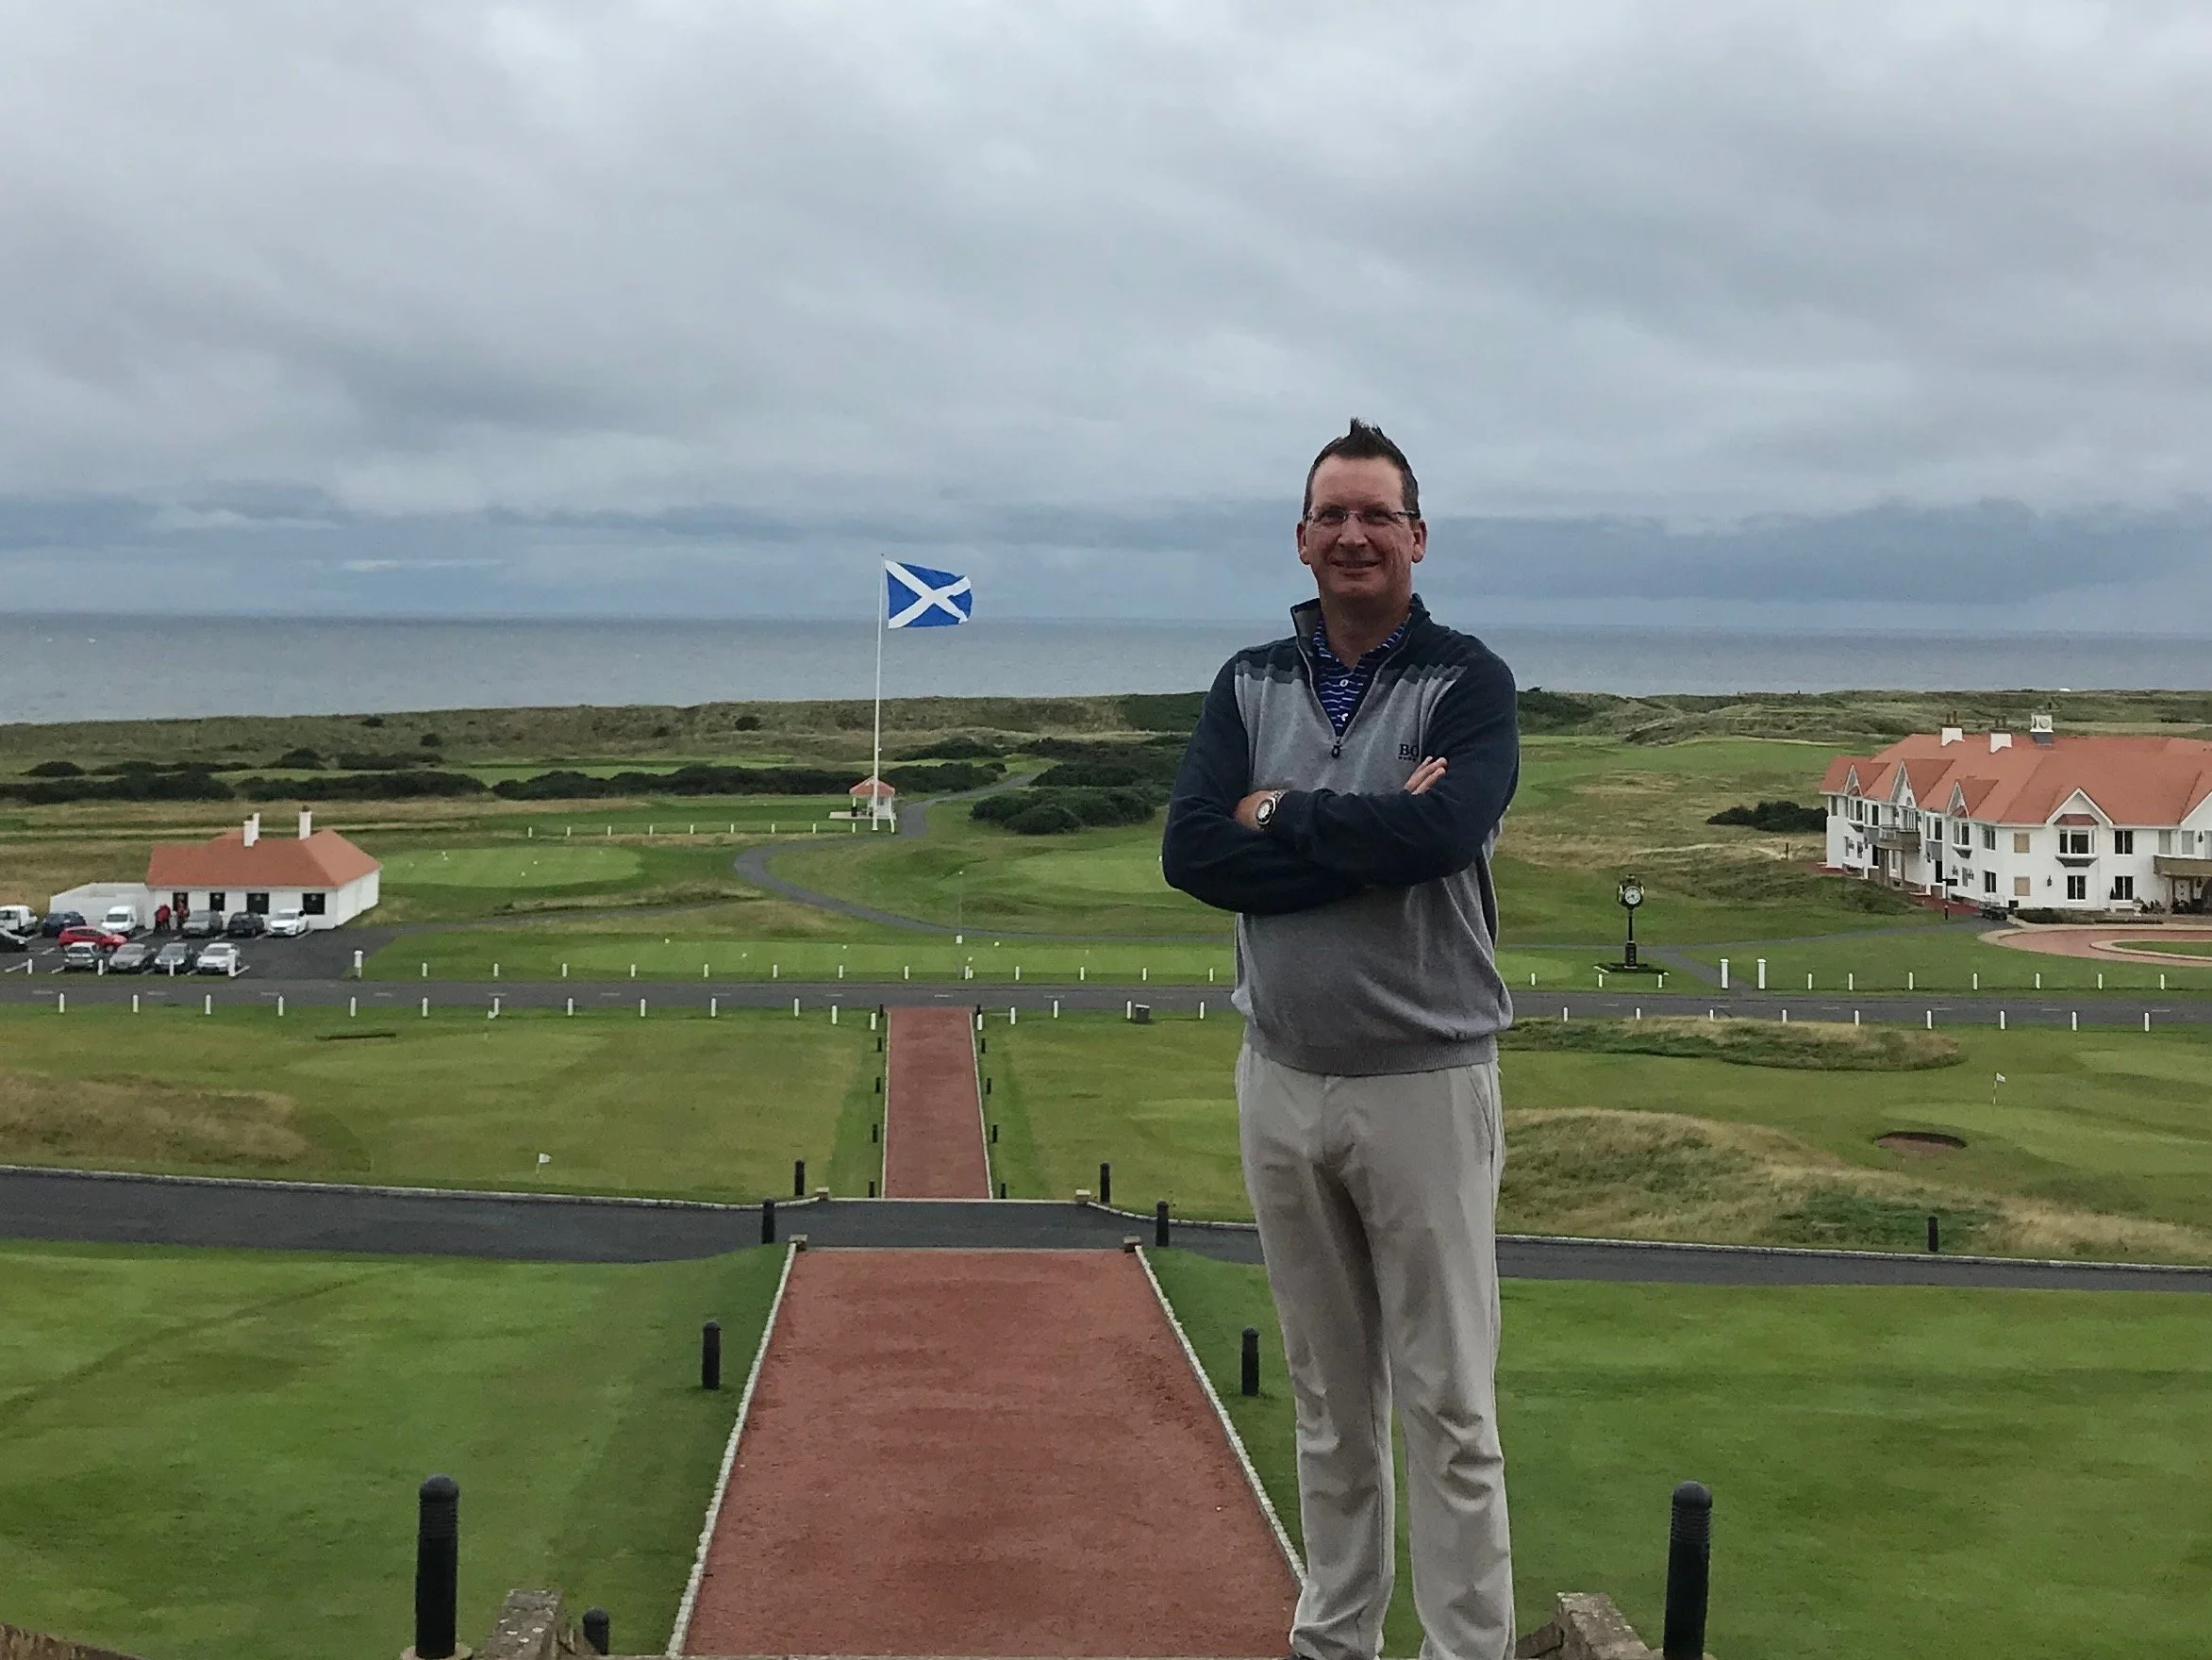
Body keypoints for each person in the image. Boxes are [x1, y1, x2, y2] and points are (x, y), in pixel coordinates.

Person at [1161, 419, 1520, 1660]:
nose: (1354, 534)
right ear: (1302, 538)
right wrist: (1348, 827)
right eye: (1333, 514)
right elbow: (1192, 852)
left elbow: (1437, 838)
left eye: (1378, 514)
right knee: (1327, 1401)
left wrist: (1282, 817)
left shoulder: (1468, 684)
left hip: (1423, 1083)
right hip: (1280, 1079)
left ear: (1416, 537)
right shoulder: (1248, 682)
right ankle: (1336, 1640)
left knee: (1449, 1404)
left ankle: (1465, 1650)